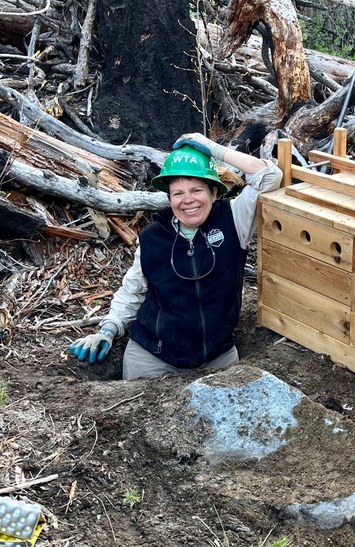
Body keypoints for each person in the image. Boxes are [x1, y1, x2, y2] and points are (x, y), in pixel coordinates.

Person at [69, 132, 282, 380]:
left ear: (214, 193)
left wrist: (212, 148)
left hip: (219, 359)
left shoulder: (234, 219)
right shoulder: (152, 238)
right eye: (178, 193)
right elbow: (133, 289)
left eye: (196, 190)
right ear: (169, 198)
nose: (188, 200)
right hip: (153, 359)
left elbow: (269, 176)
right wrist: (108, 329)